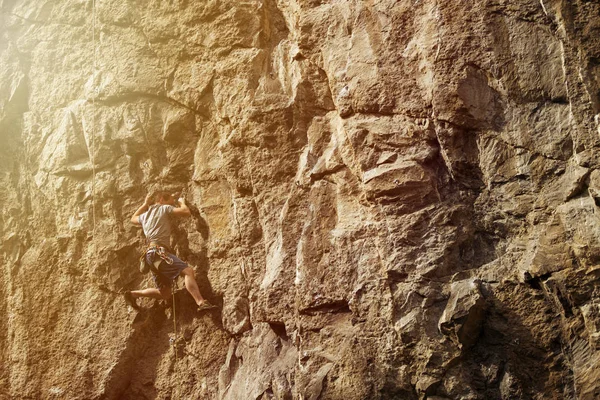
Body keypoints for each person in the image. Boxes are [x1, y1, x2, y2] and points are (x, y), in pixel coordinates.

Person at [124, 191, 215, 311]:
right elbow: (185, 212)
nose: (172, 204)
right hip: (159, 252)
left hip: (150, 256)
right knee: (188, 271)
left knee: (165, 294)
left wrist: (145, 204)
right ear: (161, 199)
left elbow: (133, 219)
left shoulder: (145, 216)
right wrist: (182, 203)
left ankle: (133, 294)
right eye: (171, 201)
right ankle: (201, 302)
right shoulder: (163, 208)